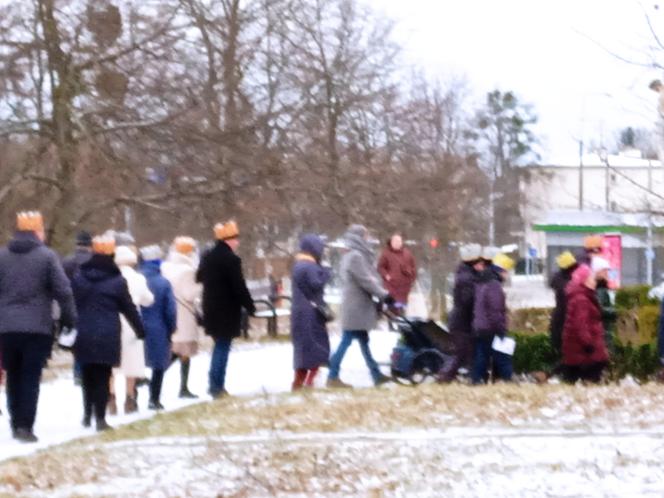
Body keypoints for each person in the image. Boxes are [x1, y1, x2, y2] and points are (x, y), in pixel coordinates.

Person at [0, 212, 77, 442]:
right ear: (37, 231)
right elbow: (64, 292)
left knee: (13, 374)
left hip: (6, 329)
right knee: (31, 376)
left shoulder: (2, 256)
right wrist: (68, 320)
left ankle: (16, 423)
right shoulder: (47, 257)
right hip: (37, 328)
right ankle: (26, 425)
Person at [73, 236, 145, 431]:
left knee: (87, 374)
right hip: (108, 332)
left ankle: (87, 414)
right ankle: (100, 419)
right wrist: (140, 330)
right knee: (103, 376)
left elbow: (72, 305)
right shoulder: (116, 281)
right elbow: (128, 308)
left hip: (85, 331)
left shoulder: (79, 278)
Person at [327, 225, 393, 388]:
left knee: (363, 341)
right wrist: (384, 295)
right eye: (365, 235)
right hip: (356, 307)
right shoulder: (356, 256)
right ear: (359, 237)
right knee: (347, 340)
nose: (367, 238)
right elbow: (366, 280)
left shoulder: (350, 255)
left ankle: (376, 374)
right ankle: (332, 375)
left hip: (356, 306)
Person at [197, 221, 255, 399]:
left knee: (218, 346)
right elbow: (239, 286)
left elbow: (199, 277)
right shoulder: (231, 259)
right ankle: (217, 386)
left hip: (210, 309)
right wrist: (249, 306)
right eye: (235, 238)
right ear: (228, 239)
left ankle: (214, 384)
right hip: (226, 310)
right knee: (222, 347)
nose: (237, 242)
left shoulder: (207, 257)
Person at [114, 245, 154, 413]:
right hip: (132, 323)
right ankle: (130, 398)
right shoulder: (138, 278)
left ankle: (111, 397)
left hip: (113, 321)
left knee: (113, 363)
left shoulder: (111, 277)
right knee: (132, 363)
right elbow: (148, 300)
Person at [162, 236, 202, 398]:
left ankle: (156, 377)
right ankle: (183, 387)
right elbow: (189, 294)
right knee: (183, 352)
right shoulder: (188, 270)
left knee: (174, 350)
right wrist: (200, 286)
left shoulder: (166, 268)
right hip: (184, 316)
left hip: (170, 313)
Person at [291, 234, 332, 391]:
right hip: (311, 313)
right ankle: (310, 381)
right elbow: (316, 284)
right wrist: (327, 272)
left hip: (299, 312)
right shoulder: (310, 266)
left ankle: (298, 381)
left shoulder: (298, 265)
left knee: (302, 350)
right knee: (316, 347)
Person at [438, 243, 484, 382]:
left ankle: (473, 378)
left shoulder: (467, 275)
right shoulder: (467, 278)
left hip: (462, 321)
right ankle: (444, 378)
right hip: (462, 322)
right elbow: (467, 301)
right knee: (462, 353)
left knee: (466, 353)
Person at [140, 245, 177, 410]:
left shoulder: (136, 279)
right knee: (158, 365)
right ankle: (154, 398)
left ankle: (130, 397)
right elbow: (170, 310)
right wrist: (172, 327)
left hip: (137, 326)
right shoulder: (163, 283)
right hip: (158, 327)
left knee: (136, 362)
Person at [471, 253, 515, 384]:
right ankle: (508, 380)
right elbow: (495, 311)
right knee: (502, 357)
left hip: (480, 327)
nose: (507, 275)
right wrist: (501, 329)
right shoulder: (494, 285)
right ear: (501, 270)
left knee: (481, 356)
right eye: (506, 271)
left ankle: (476, 381)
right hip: (491, 328)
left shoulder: (481, 282)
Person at [561, 264, 609, 384]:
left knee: (576, 379)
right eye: (591, 278)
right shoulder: (581, 299)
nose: (594, 281)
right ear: (584, 281)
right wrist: (588, 344)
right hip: (584, 349)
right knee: (592, 374)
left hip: (578, 347)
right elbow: (581, 324)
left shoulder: (582, 296)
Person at [62, 230, 93, 386]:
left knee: (76, 339)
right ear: (90, 245)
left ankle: (78, 371)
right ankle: (86, 371)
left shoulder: (67, 262)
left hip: (71, 304)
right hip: (90, 305)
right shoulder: (95, 261)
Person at [549, 251, 578, 361]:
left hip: (559, 319)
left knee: (561, 349)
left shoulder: (558, 279)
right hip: (567, 320)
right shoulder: (572, 281)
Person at [377, 234, 416, 311]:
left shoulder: (407, 253)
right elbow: (380, 267)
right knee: (392, 309)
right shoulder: (386, 254)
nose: (397, 243)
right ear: (391, 242)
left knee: (402, 310)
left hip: (404, 288)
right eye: (395, 241)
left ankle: (400, 317)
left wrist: (411, 277)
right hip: (391, 287)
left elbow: (413, 267)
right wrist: (386, 276)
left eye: (399, 241)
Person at [592, 257, 617, 352]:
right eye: (604, 270)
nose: (607, 273)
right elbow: (599, 309)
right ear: (597, 271)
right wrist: (615, 311)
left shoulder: (601, 287)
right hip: (602, 331)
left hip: (604, 330)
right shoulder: (599, 289)